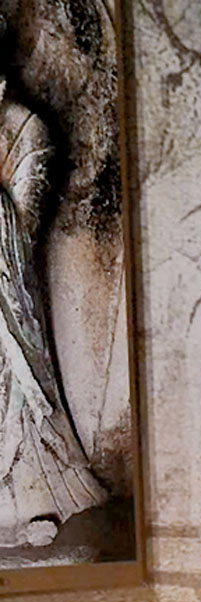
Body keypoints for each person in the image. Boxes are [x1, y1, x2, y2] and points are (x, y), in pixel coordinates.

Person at [0, 74, 105, 548]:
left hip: (9, 295)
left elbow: (23, 228)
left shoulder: (27, 129)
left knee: (18, 388)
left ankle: (25, 500)